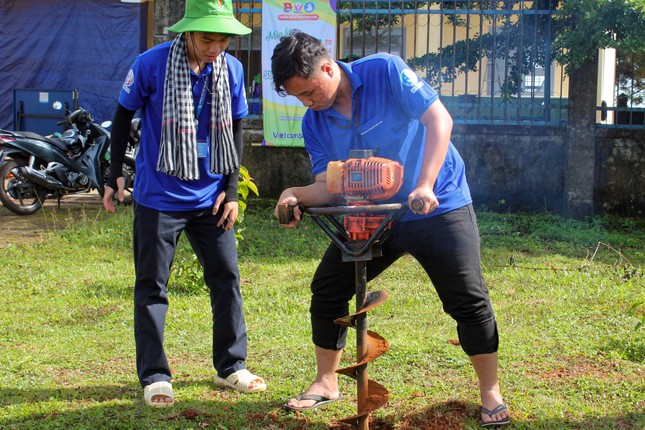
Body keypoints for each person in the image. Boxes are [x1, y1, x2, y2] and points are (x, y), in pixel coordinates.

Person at [270, 31, 510, 427]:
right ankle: (326, 381)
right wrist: (293, 194)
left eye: (311, 91)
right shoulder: (315, 123)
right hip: (374, 214)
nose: (309, 103)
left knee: (467, 298)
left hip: (437, 202)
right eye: (300, 98)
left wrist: (425, 183)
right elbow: (328, 187)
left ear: (328, 67)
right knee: (328, 288)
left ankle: (490, 393)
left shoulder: (384, 70)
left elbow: (439, 119)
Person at [102, 0, 266, 408]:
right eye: (207, 38)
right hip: (159, 198)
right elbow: (123, 115)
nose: (215, 47)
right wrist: (113, 174)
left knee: (226, 279)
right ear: (188, 32)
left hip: (211, 197)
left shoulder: (231, 69)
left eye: (223, 39)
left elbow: (238, 126)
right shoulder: (151, 64)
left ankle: (231, 366)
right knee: (152, 287)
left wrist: (230, 192)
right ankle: (155, 374)